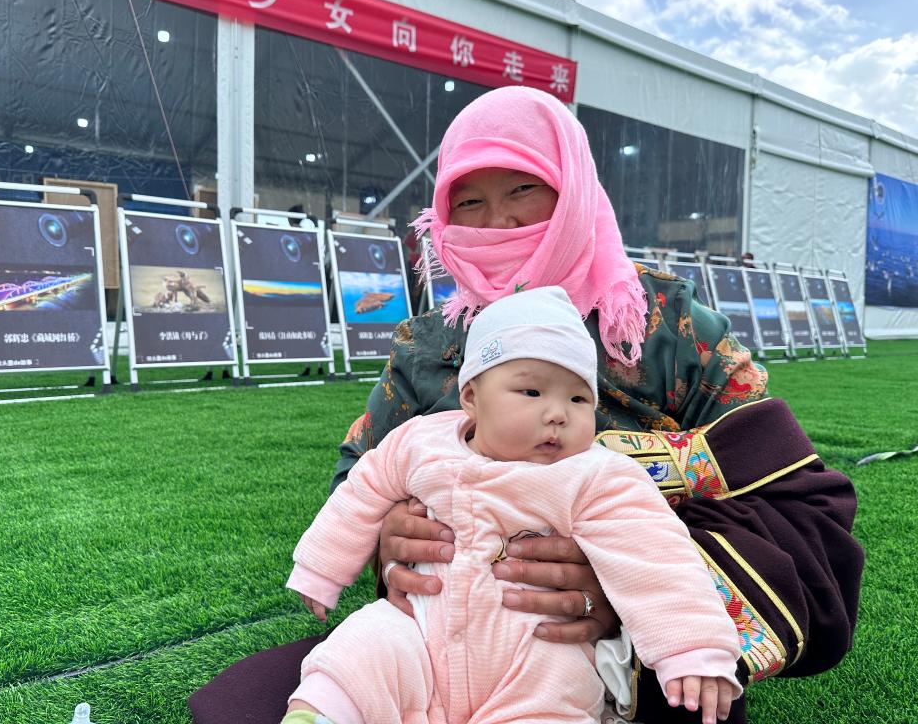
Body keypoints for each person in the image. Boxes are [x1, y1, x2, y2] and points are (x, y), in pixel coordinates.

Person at [189, 87, 863, 724]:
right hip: (446, 635)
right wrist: (389, 540)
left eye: (523, 190)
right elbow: (358, 477)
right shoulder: (427, 346)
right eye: (469, 202)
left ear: (574, 190)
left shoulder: (669, 328)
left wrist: (624, 591)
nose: (498, 222)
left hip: (622, 671)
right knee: (266, 700)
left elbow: (796, 503)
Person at [283, 286, 742, 724]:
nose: (558, 413)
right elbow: (363, 491)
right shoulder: (419, 442)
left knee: (556, 689)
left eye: (578, 398)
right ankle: (321, 713)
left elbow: (655, 556)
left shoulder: (598, 476)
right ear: (471, 398)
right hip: (421, 630)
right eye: (532, 392)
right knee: (362, 645)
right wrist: (322, 568)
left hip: (533, 649)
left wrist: (693, 648)